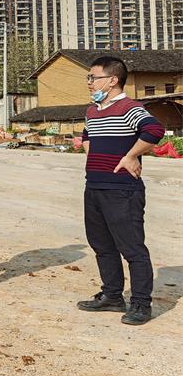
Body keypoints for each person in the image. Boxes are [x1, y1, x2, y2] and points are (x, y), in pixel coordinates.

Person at [76, 56, 164, 325]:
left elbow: (155, 130)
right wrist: (93, 156)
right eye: (89, 78)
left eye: (94, 77)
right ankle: (113, 296)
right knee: (102, 245)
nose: (89, 83)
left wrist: (131, 156)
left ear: (113, 80)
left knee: (132, 248)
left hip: (122, 190)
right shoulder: (93, 111)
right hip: (94, 187)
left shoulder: (130, 108)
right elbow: (87, 135)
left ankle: (141, 304)